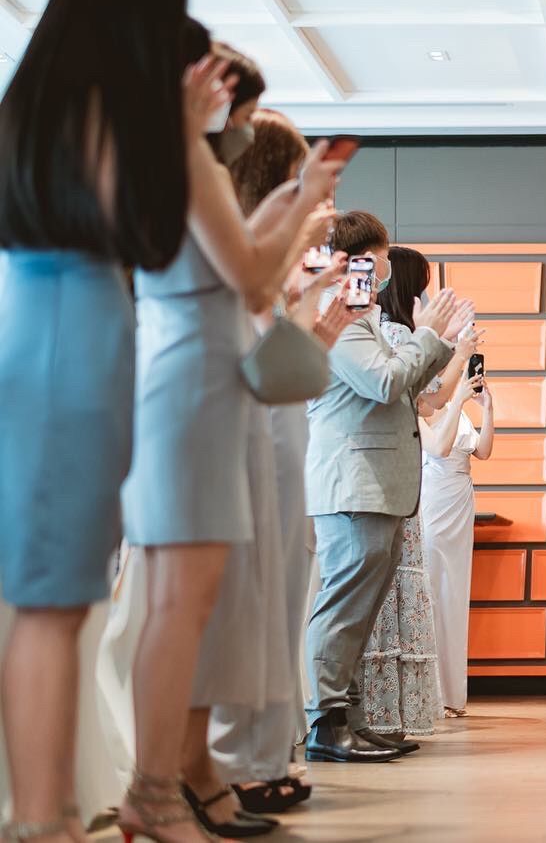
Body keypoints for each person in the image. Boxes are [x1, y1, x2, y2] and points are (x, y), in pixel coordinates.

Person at [120, 17, 343, 840]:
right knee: (185, 604)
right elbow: (250, 279)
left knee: (205, 602)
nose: (242, 125)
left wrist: (290, 203)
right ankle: (158, 783)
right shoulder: (182, 164)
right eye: (238, 109)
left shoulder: (175, 167)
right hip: (193, 387)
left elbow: (241, 266)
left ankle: (189, 769)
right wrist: (304, 199)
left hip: (205, 385)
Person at [0, 0, 193, 842]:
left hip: (57, 340)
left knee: (57, 596)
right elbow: (150, 235)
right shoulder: (102, 112)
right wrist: (177, 125)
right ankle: (44, 821)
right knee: (54, 599)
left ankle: (49, 816)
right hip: (71, 352)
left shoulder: (33, 107)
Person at [219, 106, 352, 815]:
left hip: (282, 431)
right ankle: (234, 758)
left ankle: (266, 751)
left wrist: (316, 325)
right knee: (248, 600)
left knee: (280, 599)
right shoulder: (236, 252)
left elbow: (279, 354)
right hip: (247, 430)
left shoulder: (272, 269)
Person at [302, 211, 472, 764]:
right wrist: (429, 335)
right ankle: (325, 723)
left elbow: (405, 390)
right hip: (354, 482)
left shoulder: (363, 318)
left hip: (378, 483)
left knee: (362, 611)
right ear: (359, 260)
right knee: (343, 608)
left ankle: (350, 719)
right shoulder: (342, 317)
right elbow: (383, 382)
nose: (383, 268)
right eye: (379, 257)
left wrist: (438, 343)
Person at [358, 246, 478, 741]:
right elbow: (431, 399)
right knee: (384, 593)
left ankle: (385, 712)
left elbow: (430, 397)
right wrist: (450, 346)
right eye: (422, 287)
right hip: (390, 474)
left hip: (407, 480)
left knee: (397, 589)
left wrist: (456, 349)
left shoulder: (398, 334)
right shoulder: (389, 334)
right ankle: (375, 711)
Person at [421, 281, 496, 719]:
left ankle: (452, 692)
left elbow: (482, 452)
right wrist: (456, 402)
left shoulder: (461, 410)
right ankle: (428, 692)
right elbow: (440, 448)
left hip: (460, 502)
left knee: (454, 594)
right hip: (432, 501)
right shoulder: (425, 409)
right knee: (430, 591)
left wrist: (487, 409)